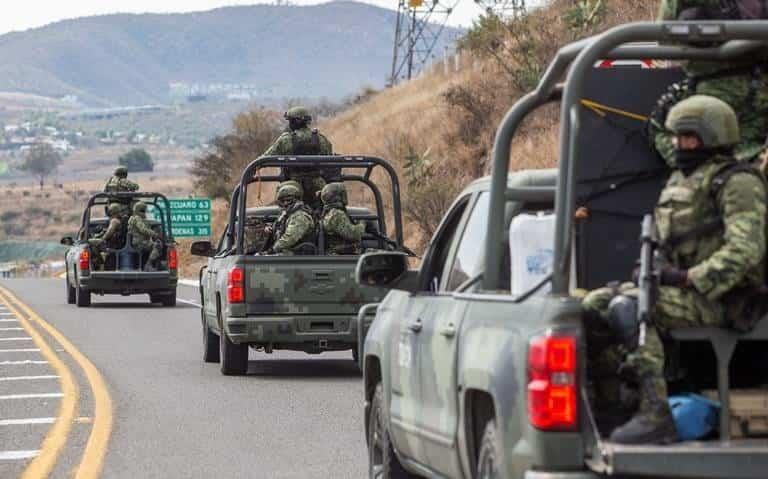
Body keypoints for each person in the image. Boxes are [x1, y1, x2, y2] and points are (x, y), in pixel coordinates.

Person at [583, 95, 767, 444]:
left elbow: (746, 250)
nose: (680, 145)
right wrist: (651, 268)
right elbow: (668, 242)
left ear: (712, 138)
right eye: (678, 138)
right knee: (595, 305)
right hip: (684, 292)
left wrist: (687, 278)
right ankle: (612, 406)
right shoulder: (681, 182)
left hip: (729, 299)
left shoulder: (738, 182)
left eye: (689, 138)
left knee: (634, 309)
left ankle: (656, 415)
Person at [650, 1, 768, 166]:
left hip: (712, 85)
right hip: (755, 80)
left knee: (661, 126)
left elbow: (665, 39)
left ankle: (714, 171)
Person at [263, 106, 337, 208]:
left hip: (292, 188)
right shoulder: (321, 140)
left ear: (293, 122)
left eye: (290, 121)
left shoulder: (285, 140)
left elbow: (265, 159)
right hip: (319, 188)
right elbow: (330, 161)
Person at [264, 184, 315, 255]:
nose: (285, 203)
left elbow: (289, 239)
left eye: (288, 200)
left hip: (298, 255)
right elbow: (279, 226)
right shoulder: (287, 214)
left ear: (297, 200)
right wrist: (270, 228)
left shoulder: (300, 216)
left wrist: (270, 251)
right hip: (288, 252)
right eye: (282, 201)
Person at [320, 182, 366, 255]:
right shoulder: (336, 214)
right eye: (343, 194)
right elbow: (354, 234)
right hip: (340, 256)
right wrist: (363, 224)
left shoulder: (330, 212)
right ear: (338, 196)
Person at [88, 203, 125, 270]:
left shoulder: (114, 221)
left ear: (112, 211)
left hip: (112, 245)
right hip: (115, 244)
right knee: (94, 242)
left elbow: (109, 232)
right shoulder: (118, 221)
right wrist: (99, 236)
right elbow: (107, 231)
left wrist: (102, 239)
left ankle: (99, 263)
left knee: (89, 242)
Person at [128, 201, 162, 271]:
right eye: (143, 211)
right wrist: (154, 234)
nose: (144, 213)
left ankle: (155, 264)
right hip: (140, 243)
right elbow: (143, 229)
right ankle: (148, 265)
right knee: (157, 246)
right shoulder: (137, 218)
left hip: (140, 242)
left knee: (156, 244)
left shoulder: (134, 218)